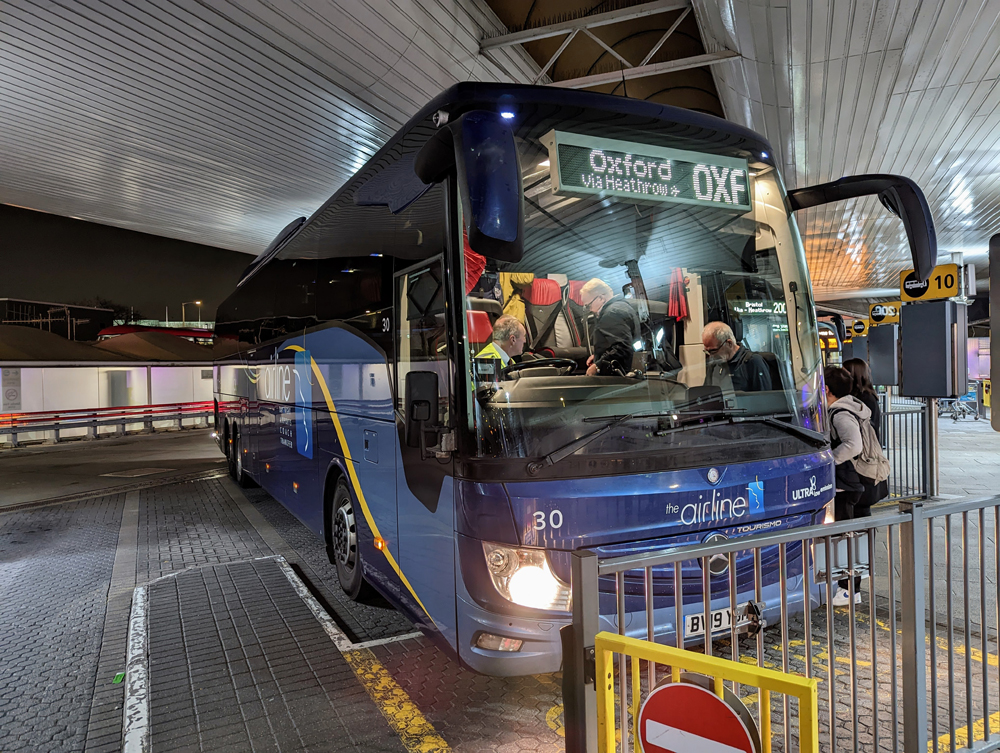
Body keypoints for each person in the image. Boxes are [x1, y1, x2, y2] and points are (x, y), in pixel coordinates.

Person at [825, 365, 870, 606]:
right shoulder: (849, 406)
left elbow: (853, 445)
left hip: (845, 482)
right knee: (848, 536)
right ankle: (850, 585)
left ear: (826, 389)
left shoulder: (839, 413)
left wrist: (828, 460)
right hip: (850, 482)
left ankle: (848, 589)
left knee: (844, 537)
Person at [843, 357, 889, 509]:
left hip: (862, 456)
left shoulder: (859, 399)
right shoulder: (869, 396)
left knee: (860, 503)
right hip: (866, 454)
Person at [580, 278, 640, 376]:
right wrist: (598, 356)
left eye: (588, 305)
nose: (589, 309)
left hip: (617, 375)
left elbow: (622, 348)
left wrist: (597, 366)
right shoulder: (623, 307)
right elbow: (620, 342)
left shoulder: (611, 314)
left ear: (601, 298)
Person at [701, 321, 772, 392]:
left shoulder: (752, 362)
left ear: (729, 343)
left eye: (713, 350)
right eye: (707, 351)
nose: (711, 355)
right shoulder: (714, 365)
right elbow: (706, 393)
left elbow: (764, 396)